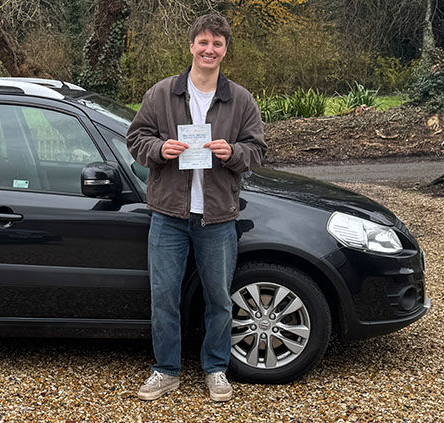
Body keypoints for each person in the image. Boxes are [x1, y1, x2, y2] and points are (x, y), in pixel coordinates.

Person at [126, 13, 266, 402]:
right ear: (191, 46)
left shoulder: (240, 99)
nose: (209, 49)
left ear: (225, 50)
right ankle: (166, 369)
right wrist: (159, 149)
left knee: (219, 298)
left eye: (217, 44)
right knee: (164, 296)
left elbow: (257, 150)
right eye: (203, 42)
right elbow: (136, 138)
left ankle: (216, 368)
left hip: (218, 216)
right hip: (168, 214)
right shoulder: (162, 93)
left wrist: (233, 152)